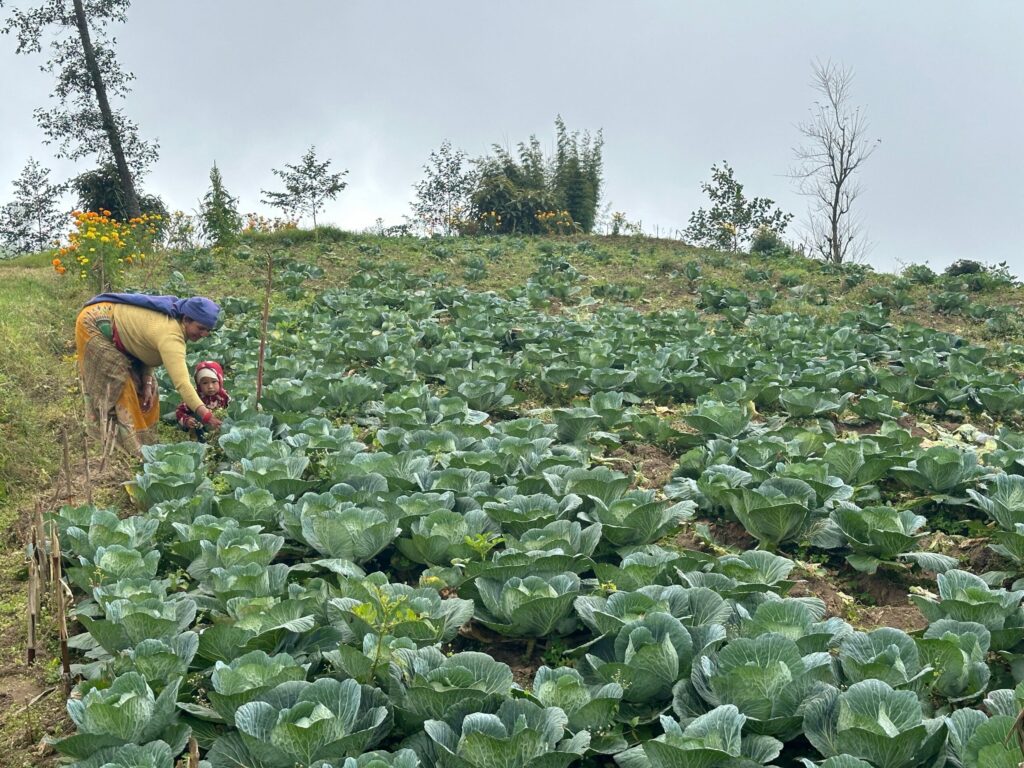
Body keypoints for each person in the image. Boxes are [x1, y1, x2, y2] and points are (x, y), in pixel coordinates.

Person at [75, 292, 224, 455]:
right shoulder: (171, 336)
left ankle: (146, 442)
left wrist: (146, 381)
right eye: (200, 328)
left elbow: (145, 347)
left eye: (207, 330)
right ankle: (118, 442)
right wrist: (207, 416)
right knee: (119, 382)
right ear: (186, 319)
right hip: (96, 322)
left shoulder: (176, 326)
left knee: (150, 389)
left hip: (122, 334)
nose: (204, 334)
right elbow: (183, 384)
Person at [176, 360, 230, 440]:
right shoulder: (194, 396)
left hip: (217, 428)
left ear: (220, 381)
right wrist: (187, 420)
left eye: (214, 381)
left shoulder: (224, 396)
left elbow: (229, 411)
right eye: (205, 383)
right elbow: (179, 411)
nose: (210, 386)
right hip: (198, 429)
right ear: (198, 384)